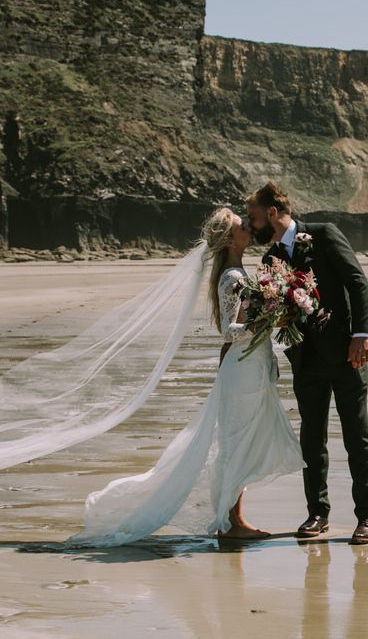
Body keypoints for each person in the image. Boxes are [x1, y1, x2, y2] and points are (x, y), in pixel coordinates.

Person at [27, 208, 303, 546]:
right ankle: (232, 523)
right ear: (232, 240)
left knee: (241, 441)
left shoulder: (240, 272)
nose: (249, 227)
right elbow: (230, 331)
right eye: (242, 226)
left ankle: (234, 520)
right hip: (242, 369)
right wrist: (266, 321)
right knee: (235, 444)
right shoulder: (232, 277)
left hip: (252, 366)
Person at [246, 182, 368, 545]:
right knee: (312, 439)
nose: (251, 224)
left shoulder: (323, 234)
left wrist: (360, 335)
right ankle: (317, 514)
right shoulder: (269, 259)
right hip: (305, 359)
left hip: (347, 353)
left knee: (357, 436)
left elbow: (356, 282)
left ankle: (367, 517)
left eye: (254, 217)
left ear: (272, 213)